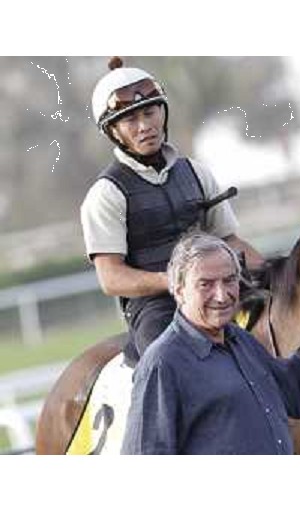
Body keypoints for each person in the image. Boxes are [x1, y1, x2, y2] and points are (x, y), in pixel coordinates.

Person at [81, 57, 262, 363]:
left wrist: (277, 273)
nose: (145, 126)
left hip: (218, 288)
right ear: (113, 131)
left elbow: (230, 241)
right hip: (155, 308)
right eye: (130, 120)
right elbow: (111, 278)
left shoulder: (196, 172)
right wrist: (176, 282)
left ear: (162, 112)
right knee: (167, 363)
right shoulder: (105, 194)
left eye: (150, 112)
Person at [121, 232, 300, 455]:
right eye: (205, 284)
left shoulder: (239, 340)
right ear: (179, 291)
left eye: (229, 280)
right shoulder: (162, 364)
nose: (221, 295)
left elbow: (289, 386)